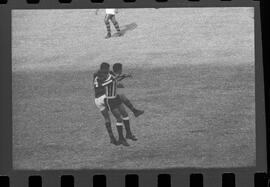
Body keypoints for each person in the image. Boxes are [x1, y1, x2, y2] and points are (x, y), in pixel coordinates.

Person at [101, 69, 138, 146]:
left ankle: (128, 134)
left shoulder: (112, 77)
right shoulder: (107, 79)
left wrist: (125, 76)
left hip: (115, 98)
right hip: (110, 100)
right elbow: (104, 84)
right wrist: (114, 79)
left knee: (125, 114)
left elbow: (118, 78)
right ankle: (121, 138)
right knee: (119, 118)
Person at [93, 63, 118, 145]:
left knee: (107, 118)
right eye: (108, 69)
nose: (108, 70)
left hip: (97, 100)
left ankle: (111, 138)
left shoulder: (95, 74)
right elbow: (111, 81)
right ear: (105, 69)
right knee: (118, 107)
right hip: (103, 97)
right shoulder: (104, 75)